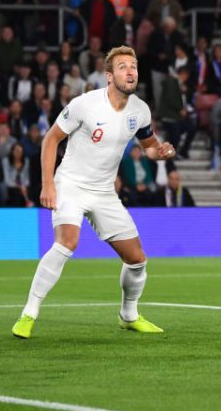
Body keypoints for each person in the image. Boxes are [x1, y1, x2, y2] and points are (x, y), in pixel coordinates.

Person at [11, 46, 176, 339]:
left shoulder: (140, 110)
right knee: (67, 243)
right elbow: (50, 140)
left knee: (137, 260)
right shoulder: (85, 104)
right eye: (123, 67)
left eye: (134, 66)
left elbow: (148, 146)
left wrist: (159, 152)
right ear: (109, 76)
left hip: (104, 192)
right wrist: (48, 184)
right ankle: (29, 313)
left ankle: (129, 315)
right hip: (70, 184)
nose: (131, 71)